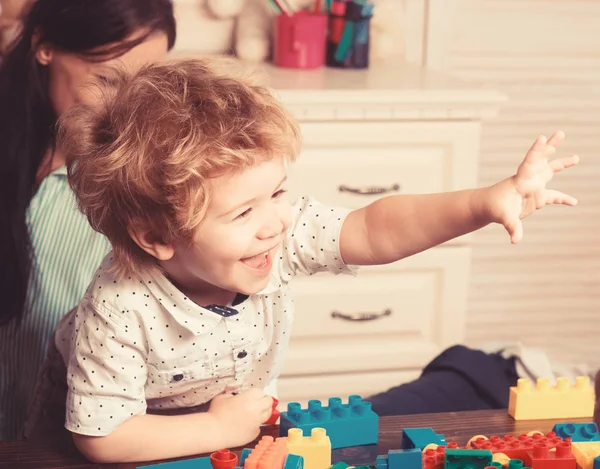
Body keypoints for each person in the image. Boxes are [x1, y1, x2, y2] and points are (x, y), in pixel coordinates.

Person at [24, 58, 578, 463]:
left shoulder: (274, 235)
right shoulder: (119, 306)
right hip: (98, 443)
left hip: (219, 432)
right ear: (155, 237)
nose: (277, 221)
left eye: (278, 192)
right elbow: (103, 437)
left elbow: (374, 228)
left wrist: (484, 201)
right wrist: (218, 428)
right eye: (243, 212)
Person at [0, 0, 176, 440]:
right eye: (107, 79)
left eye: (144, 82)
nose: (127, 106)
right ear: (44, 46)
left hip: (70, 438)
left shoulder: (144, 185)